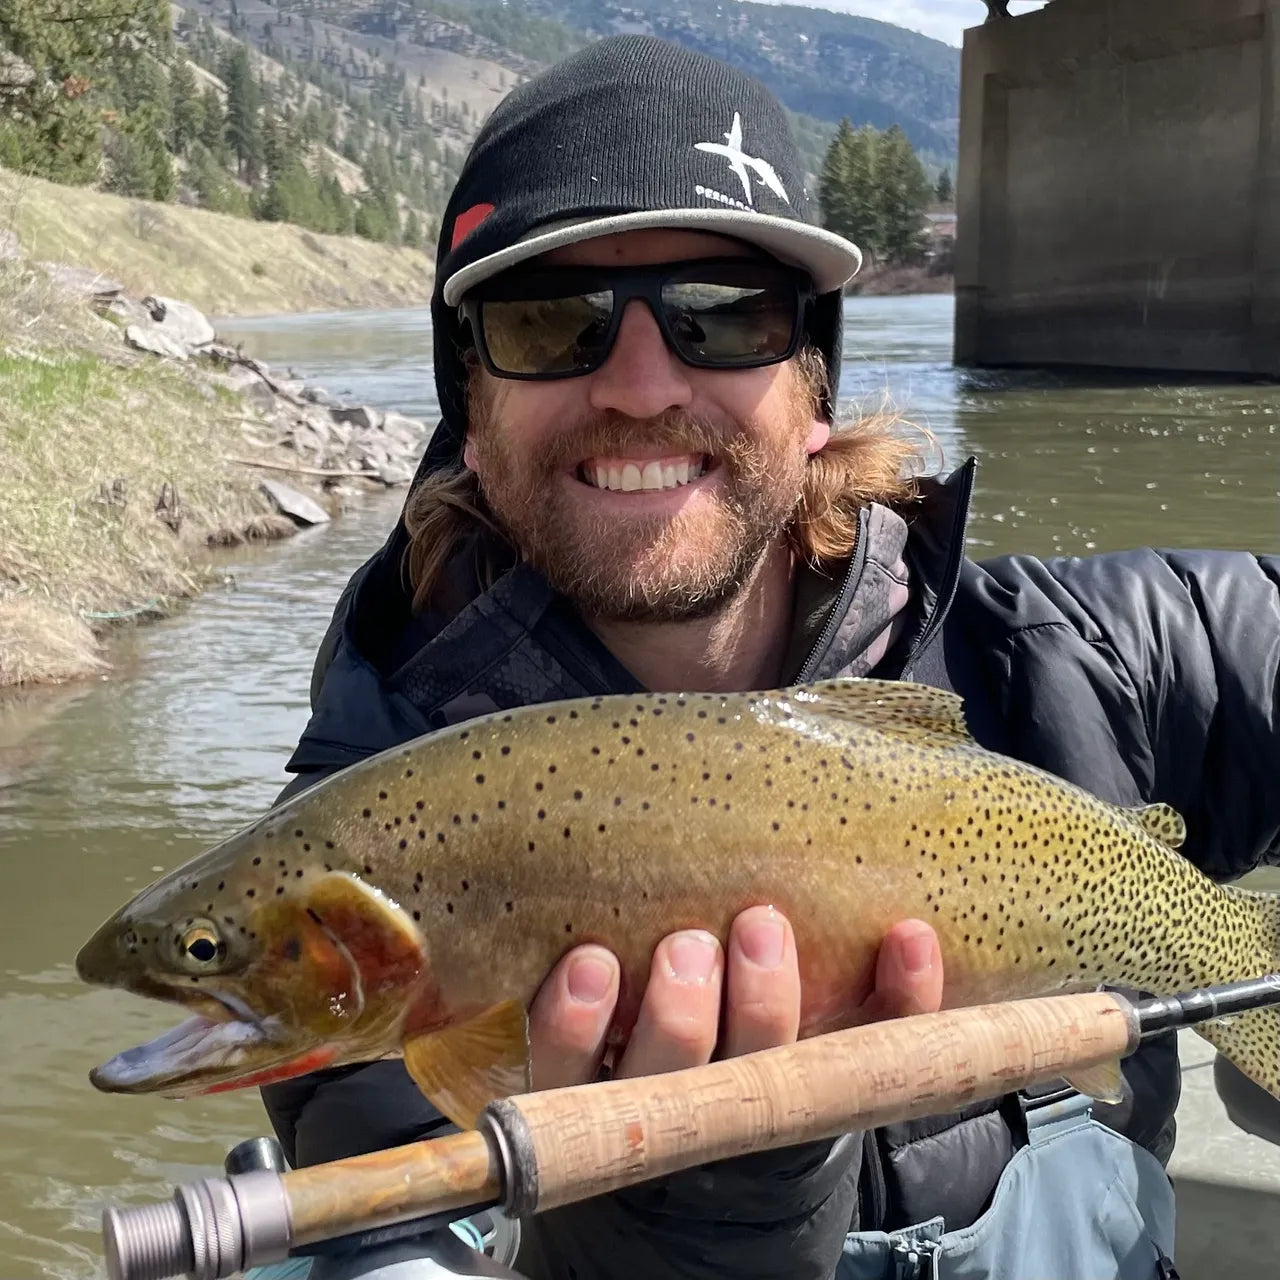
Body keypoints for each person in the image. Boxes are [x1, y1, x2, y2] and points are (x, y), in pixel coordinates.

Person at [260, 35, 1280, 1280]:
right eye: (547, 319)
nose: (640, 383)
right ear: (465, 411)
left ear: (811, 393)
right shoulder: (364, 852)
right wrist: (669, 1244)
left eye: (724, 314)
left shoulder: (1070, 662)